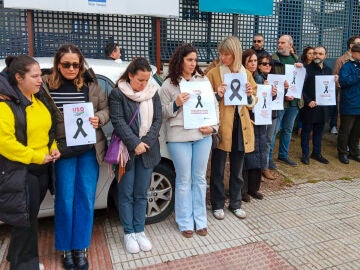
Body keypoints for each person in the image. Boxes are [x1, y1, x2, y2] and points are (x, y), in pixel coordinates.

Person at [43, 43, 109, 270]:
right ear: (57, 64)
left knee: (85, 200)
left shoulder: (91, 84)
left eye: (75, 64)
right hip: (62, 152)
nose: (71, 69)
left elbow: (106, 108)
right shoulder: (46, 86)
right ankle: (65, 248)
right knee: (64, 200)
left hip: (88, 150)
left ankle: (80, 247)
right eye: (66, 64)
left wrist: (99, 118)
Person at [0, 55, 61, 270]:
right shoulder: (5, 105)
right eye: (34, 76)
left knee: (27, 217)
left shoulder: (37, 98)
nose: (40, 80)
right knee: (26, 221)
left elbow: (47, 130)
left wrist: (52, 147)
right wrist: (36, 156)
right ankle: (25, 265)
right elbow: (5, 143)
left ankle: (16, 259)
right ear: (18, 77)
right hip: (22, 170)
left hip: (41, 168)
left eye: (40, 75)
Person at [160, 44, 219, 238]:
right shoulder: (168, 84)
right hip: (179, 138)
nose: (193, 63)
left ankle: (200, 220)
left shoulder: (202, 81)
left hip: (202, 136)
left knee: (200, 179)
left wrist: (213, 128)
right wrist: (176, 104)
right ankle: (185, 221)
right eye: (189, 59)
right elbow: (161, 113)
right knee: (184, 180)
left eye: (195, 60)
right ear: (180, 60)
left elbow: (213, 107)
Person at [108, 57, 162, 253]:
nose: (144, 84)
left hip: (147, 151)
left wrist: (145, 142)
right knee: (126, 193)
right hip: (126, 152)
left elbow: (158, 119)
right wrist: (135, 143)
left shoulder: (153, 92)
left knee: (142, 193)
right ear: (130, 75)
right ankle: (128, 232)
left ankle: (140, 230)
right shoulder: (117, 94)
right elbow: (118, 121)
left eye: (147, 80)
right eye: (140, 80)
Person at [206, 36, 257, 220]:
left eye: (226, 54)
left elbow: (254, 102)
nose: (222, 57)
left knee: (237, 167)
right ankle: (217, 203)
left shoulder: (246, 73)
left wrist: (250, 95)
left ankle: (235, 203)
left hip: (241, 126)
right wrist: (216, 94)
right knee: (218, 168)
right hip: (221, 127)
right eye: (221, 53)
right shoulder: (213, 73)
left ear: (235, 54)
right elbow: (204, 101)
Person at [269, 35, 303, 168]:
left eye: (282, 42)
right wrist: (284, 93)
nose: (279, 44)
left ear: (290, 45)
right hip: (279, 101)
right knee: (274, 130)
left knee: (288, 130)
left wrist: (301, 68)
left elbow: (300, 81)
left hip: (294, 103)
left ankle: (283, 155)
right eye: (278, 42)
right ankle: (269, 158)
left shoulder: (296, 60)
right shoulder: (272, 60)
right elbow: (270, 80)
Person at [300, 46, 333, 165]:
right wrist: (308, 101)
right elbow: (300, 88)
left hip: (323, 107)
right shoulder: (306, 69)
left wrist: (335, 80)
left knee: (319, 132)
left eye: (320, 54)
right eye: (315, 53)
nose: (317, 56)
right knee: (306, 131)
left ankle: (317, 153)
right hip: (310, 107)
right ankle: (305, 154)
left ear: (325, 56)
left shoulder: (329, 70)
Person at [255, 54, 279, 180]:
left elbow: (275, 98)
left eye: (269, 64)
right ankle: (261, 168)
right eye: (264, 64)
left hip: (273, 113)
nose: (268, 66)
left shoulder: (273, 78)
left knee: (268, 141)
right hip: (263, 114)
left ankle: (264, 167)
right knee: (262, 141)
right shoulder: (258, 78)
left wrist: (282, 88)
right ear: (259, 66)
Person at [332, 36, 360, 135]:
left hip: (357, 98)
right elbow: (337, 79)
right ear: (351, 46)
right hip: (346, 96)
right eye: (358, 43)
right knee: (345, 125)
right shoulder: (342, 60)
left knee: (356, 128)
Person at [337, 44, 360, 164]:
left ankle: (354, 152)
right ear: (354, 53)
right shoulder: (347, 66)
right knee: (345, 131)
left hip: (359, 104)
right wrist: (358, 76)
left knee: (357, 132)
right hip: (350, 104)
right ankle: (342, 153)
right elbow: (343, 82)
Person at [297, 46, 314, 136]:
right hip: (301, 90)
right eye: (309, 53)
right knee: (302, 109)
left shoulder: (316, 66)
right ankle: (300, 127)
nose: (311, 55)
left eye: (313, 53)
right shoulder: (301, 65)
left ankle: (310, 129)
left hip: (311, 91)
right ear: (305, 55)